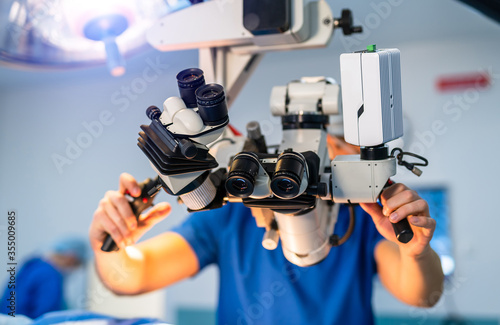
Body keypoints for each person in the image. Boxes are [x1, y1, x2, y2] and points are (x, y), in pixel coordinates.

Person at [89, 135, 444, 324]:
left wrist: (417, 252)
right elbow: (131, 277)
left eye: (338, 150)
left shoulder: (366, 219)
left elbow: (422, 296)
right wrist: (112, 244)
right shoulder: (231, 214)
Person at [0, 237, 88, 319]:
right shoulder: (50, 275)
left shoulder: (32, 267)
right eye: (76, 265)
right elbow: (48, 314)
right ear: (71, 258)